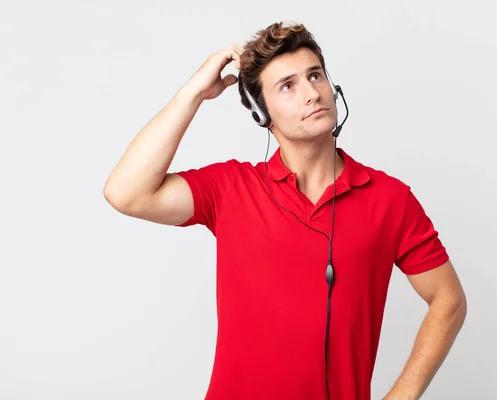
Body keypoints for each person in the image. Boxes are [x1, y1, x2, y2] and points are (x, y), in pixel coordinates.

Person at [104, 22, 467, 400]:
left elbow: (448, 300)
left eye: (315, 76)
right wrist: (192, 93)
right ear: (263, 114)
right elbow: (125, 192)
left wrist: (402, 395)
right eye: (288, 86)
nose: (311, 93)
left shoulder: (390, 199)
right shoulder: (231, 188)